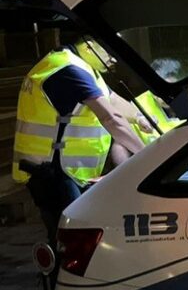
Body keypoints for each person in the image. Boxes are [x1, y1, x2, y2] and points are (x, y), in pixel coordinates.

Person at [13, 38, 151, 241]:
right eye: (108, 53)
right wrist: (146, 155)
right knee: (72, 237)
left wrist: (139, 118)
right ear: (89, 47)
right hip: (52, 171)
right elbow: (110, 117)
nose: (112, 59)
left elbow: (111, 99)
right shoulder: (68, 70)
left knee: (72, 234)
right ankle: (56, 272)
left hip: (66, 169)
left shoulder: (82, 66)